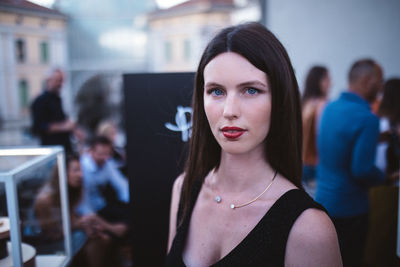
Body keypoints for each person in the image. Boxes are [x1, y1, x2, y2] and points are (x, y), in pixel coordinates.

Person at [166, 22, 341, 267]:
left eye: (250, 90)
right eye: (216, 91)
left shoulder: (309, 229)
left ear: (279, 98)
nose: (229, 111)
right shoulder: (184, 189)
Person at [315, 59, 385, 266]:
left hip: (323, 203)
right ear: (366, 80)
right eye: (379, 81)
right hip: (350, 210)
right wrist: (384, 176)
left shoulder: (330, 108)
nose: (381, 88)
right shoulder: (367, 119)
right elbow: (361, 170)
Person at [34, 154, 127, 267]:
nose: (81, 175)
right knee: (101, 241)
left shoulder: (71, 191)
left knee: (103, 238)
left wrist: (86, 225)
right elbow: (51, 233)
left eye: (81, 170)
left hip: (66, 235)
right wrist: (81, 225)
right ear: (63, 173)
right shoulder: (46, 199)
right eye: (75, 170)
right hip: (50, 245)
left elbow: (71, 218)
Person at [78, 136, 130, 225]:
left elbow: (121, 184)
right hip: (84, 211)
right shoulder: (82, 168)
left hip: (101, 205)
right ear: (91, 152)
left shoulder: (108, 163)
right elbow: (82, 201)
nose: (105, 158)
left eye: (108, 154)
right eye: (101, 154)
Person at [31, 68, 75, 153]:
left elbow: (61, 119)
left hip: (64, 148)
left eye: (61, 81)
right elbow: (38, 127)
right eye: (58, 80)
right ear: (48, 80)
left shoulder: (57, 99)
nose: (60, 84)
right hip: (52, 149)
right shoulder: (40, 101)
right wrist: (63, 127)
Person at [301, 66, 331, 189]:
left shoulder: (304, 102)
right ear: (318, 82)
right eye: (327, 79)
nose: (330, 83)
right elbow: (321, 135)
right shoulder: (322, 104)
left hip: (301, 161)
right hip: (316, 163)